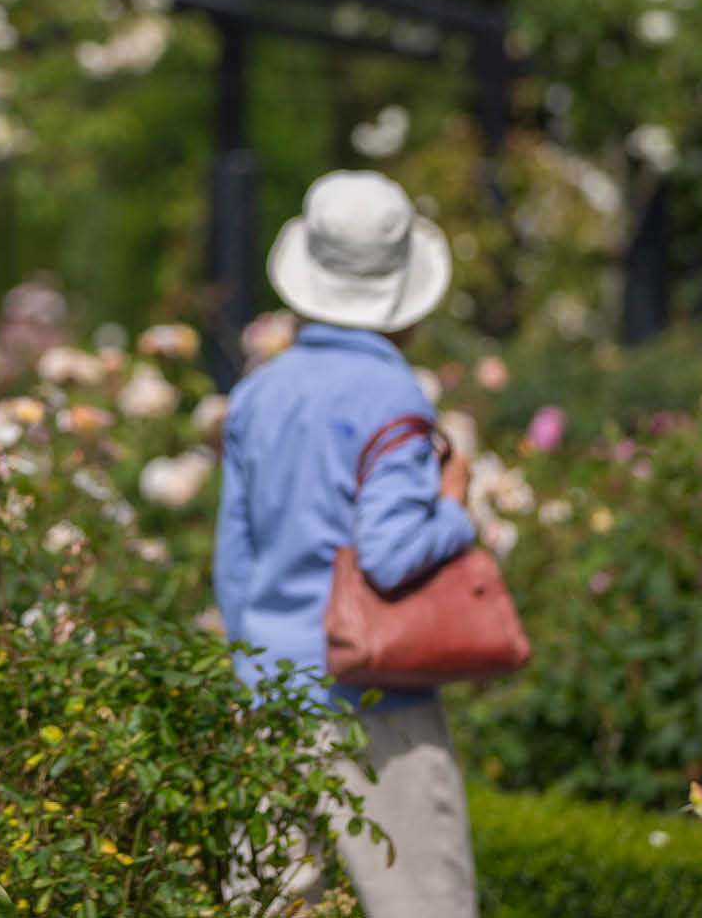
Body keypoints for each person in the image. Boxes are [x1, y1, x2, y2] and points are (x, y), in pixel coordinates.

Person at [215, 169, 478, 915]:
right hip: (374, 694)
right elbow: (389, 554)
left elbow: (235, 560)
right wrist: (456, 506)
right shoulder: (393, 395)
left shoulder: (258, 391)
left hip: (272, 692)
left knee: (269, 905)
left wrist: (256, 664)